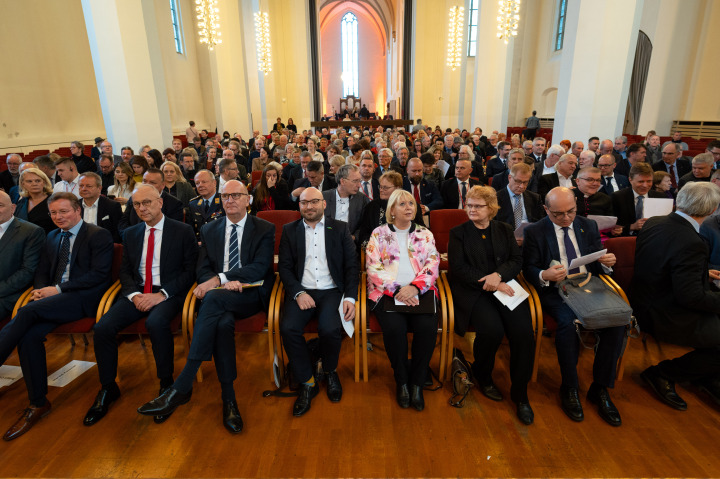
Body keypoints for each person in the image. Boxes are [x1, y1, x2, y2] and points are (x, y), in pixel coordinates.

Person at [137, 180, 275, 433]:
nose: (230, 200)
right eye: (225, 196)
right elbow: (202, 268)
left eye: (236, 195)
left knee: (212, 300)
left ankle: (183, 384)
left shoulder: (264, 227)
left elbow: (260, 267)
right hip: (220, 296)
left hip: (249, 293)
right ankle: (228, 399)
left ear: (248, 200)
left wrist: (223, 279)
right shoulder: (210, 228)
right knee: (222, 324)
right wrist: (217, 282)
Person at [0, 193, 114, 441]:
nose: (58, 217)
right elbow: (41, 272)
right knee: (28, 336)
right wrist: (42, 291)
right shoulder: (51, 237)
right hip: (53, 301)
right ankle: (37, 403)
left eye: (64, 211)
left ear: (77, 211)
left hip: (84, 298)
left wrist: (58, 289)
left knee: (26, 311)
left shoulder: (98, 234)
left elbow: (99, 275)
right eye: (53, 213)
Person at [84, 185, 198, 426]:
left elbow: (190, 272)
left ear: (160, 203)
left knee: (156, 322)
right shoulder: (132, 233)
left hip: (169, 293)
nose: (142, 208)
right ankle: (108, 387)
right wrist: (135, 295)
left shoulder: (182, 231)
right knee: (103, 328)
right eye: (136, 204)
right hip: (137, 292)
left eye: (147, 202)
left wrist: (162, 295)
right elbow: (125, 271)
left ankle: (166, 384)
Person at [523, 187, 624, 426]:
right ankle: (569, 386)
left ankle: (600, 388)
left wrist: (607, 263)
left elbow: (596, 260)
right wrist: (544, 274)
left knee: (617, 322)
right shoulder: (535, 231)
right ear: (546, 209)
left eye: (571, 211)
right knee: (567, 325)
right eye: (558, 214)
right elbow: (528, 268)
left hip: (588, 285)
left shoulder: (587, 226)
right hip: (557, 290)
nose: (566, 218)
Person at [448, 186, 535, 424]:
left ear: (491, 209)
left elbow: (516, 260)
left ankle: (521, 394)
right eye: (469, 205)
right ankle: (483, 375)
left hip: (506, 287)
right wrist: (492, 282)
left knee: (524, 333)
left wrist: (498, 275)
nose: (472, 209)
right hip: (475, 292)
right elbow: (458, 268)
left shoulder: (504, 229)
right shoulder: (458, 233)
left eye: (478, 206)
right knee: (491, 331)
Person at [635, 182, 720, 410]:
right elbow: (690, 297)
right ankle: (662, 373)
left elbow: (665, 265)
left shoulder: (656, 222)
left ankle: (705, 373)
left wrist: (702, 273)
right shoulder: (692, 242)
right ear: (712, 210)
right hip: (664, 312)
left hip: (645, 299)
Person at [278, 187, 359, 417]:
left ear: (324, 204)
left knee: (330, 329)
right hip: (302, 291)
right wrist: (297, 293)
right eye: (304, 203)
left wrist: (350, 297)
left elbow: (352, 266)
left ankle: (331, 370)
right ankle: (307, 380)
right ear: (299, 205)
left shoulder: (340, 229)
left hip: (332, 290)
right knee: (288, 328)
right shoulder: (289, 230)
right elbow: (284, 267)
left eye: (314, 202)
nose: (309, 207)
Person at [365, 189, 439, 411]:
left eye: (411, 203)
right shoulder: (378, 233)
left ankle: (417, 382)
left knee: (427, 328)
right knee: (395, 329)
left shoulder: (425, 234)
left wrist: (415, 288)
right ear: (392, 211)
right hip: (387, 293)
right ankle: (402, 381)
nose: (409, 207)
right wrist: (398, 290)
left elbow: (433, 263)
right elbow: (373, 267)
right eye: (403, 204)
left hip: (420, 292)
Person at [0, 191, 45, 319]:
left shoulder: (31, 232)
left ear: (13, 208)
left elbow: (27, 271)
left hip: (8, 295)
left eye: (0, 205)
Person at [358, 171, 424, 247]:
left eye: (385, 187)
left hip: (408, 247)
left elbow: (420, 230)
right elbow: (363, 234)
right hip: (379, 250)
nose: (381, 190)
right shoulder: (372, 207)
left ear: (397, 188)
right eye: (381, 186)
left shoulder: (411, 205)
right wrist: (375, 247)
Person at [119, 168, 184, 235]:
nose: (147, 185)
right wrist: (131, 237)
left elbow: (173, 230)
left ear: (163, 185)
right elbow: (123, 223)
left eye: (152, 182)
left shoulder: (174, 203)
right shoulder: (134, 198)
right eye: (144, 181)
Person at [611, 163, 664, 237]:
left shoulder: (660, 197)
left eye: (649, 181)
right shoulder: (617, 197)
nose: (645, 185)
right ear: (630, 180)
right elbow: (613, 228)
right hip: (627, 240)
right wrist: (632, 227)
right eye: (641, 182)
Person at [322, 164, 369, 242]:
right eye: (355, 181)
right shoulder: (324, 197)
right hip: (326, 241)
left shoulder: (361, 199)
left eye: (359, 181)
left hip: (349, 244)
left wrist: (354, 237)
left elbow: (364, 225)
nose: (359, 185)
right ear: (342, 181)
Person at [495, 163, 544, 235]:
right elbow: (495, 227)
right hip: (506, 237)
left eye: (525, 182)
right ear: (509, 178)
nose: (522, 186)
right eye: (518, 181)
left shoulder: (535, 198)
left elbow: (540, 223)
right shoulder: (496, 198)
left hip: (530, 238)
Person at [78, 172, 122, 243]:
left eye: (88, 186)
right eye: (81, 185)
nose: (84, 189)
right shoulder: (74, 206)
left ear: (99, 188)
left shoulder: (112, 206)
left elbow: (117, 233)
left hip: (103, 245)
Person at [14, 168, 57, 234]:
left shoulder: (54, 201)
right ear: (23, 184)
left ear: (44, 182)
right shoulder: (21, 202)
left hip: (47, 241)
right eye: (29, 181)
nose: (34, 184)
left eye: (38, 181)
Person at [188, 169, 224, 241]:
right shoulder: (193, 204)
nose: (200, 185)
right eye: (197, 183)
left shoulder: (224, 201)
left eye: (204, 182)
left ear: (214, 183)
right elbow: (191, 230)